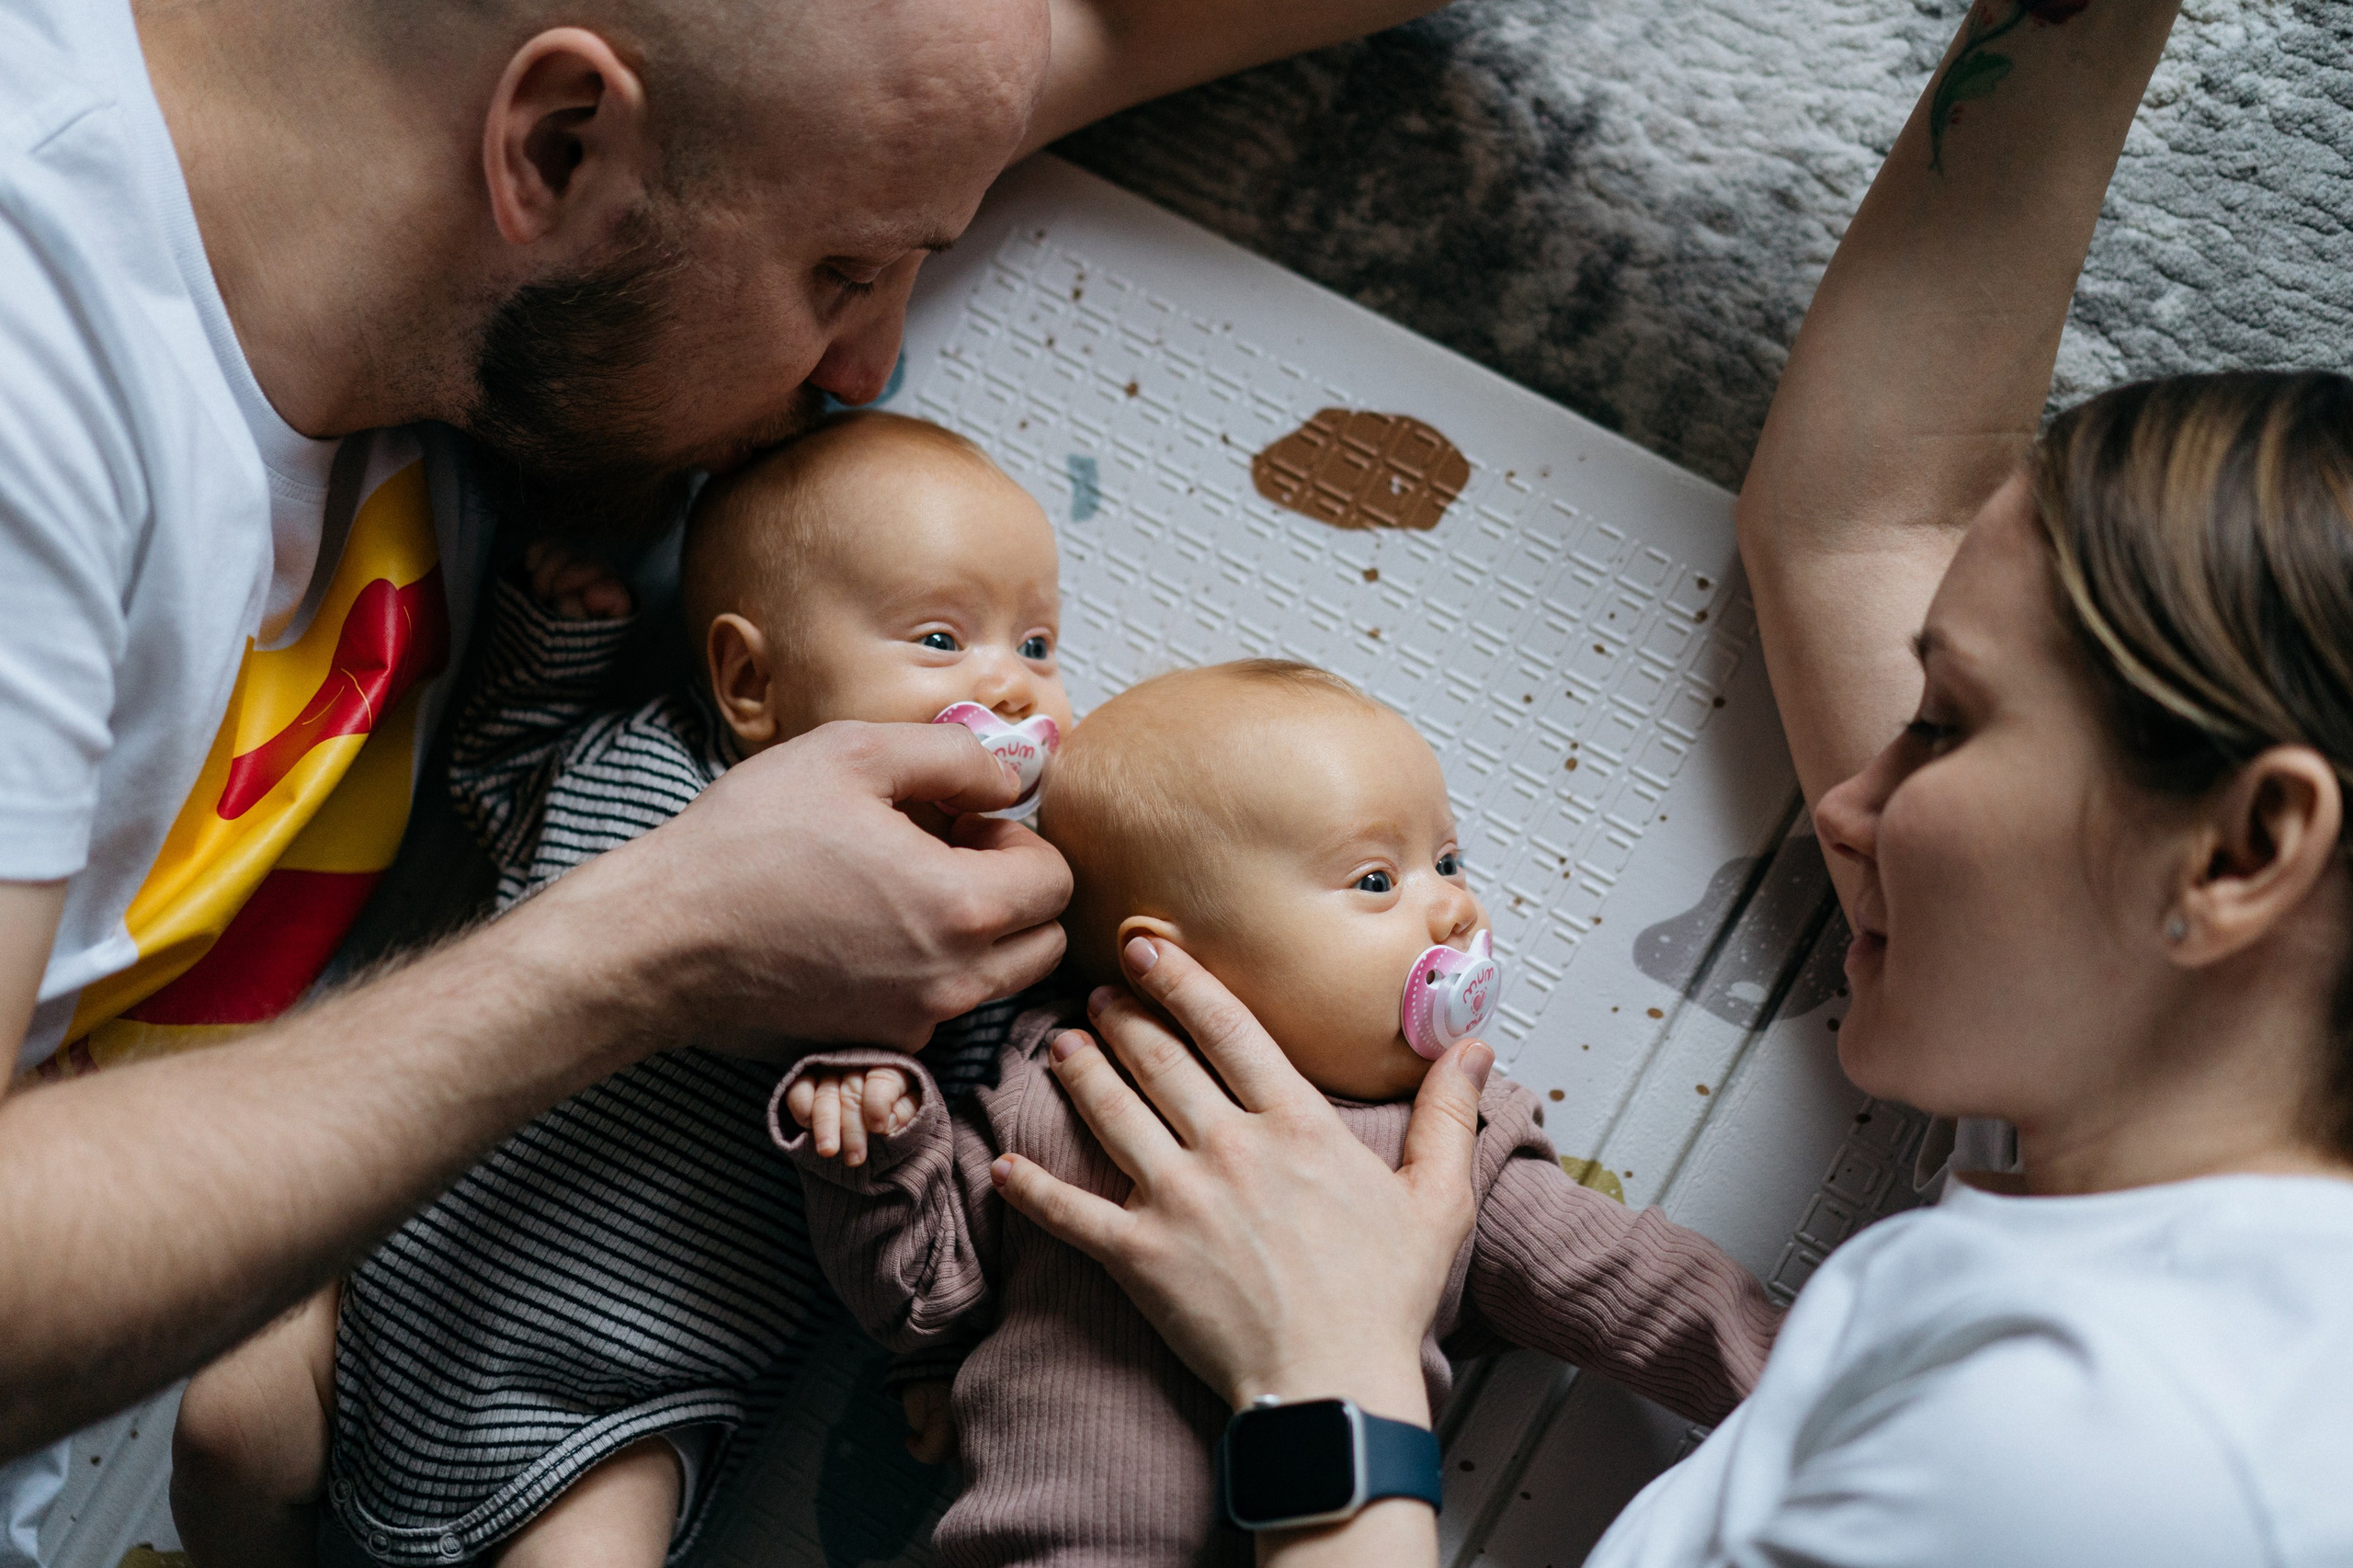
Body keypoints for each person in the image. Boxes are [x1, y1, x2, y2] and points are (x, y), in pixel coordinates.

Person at [0, 0, 1453, 1552]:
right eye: (843, 273)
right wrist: (662, 937)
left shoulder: (545, 226)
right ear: (560, 146)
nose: (871, 367)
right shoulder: (42, 380)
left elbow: (1088, 26)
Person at [985, 1, 2353, 1563]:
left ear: (2243, 851)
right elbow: (1866, 514)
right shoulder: (2123, 1126)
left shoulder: (2090, 1454)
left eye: (1946, 725)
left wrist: (1330, 1367)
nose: (1847, 807)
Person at [169, 412, 1074, 1565]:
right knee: (225, 1422)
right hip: (396, 1261)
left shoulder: (977, 915)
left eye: (1038, 644)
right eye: (943, 638)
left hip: (618, 1397)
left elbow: (964, 1167)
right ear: (749, 679)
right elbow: (496, 779)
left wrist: (928, 1325)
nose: (1011, 684)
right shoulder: (638, 759)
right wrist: (552, 642)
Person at [773, 659, 1783, 1566]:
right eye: (1377, 879)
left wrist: (1843, 1394)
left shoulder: (1445, 1153)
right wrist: (876, 1129)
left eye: (1448, 860)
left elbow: (1658, 1293)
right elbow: (919, 1294)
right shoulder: (1055, 1080)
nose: (1456, 907)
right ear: (1166, 959)